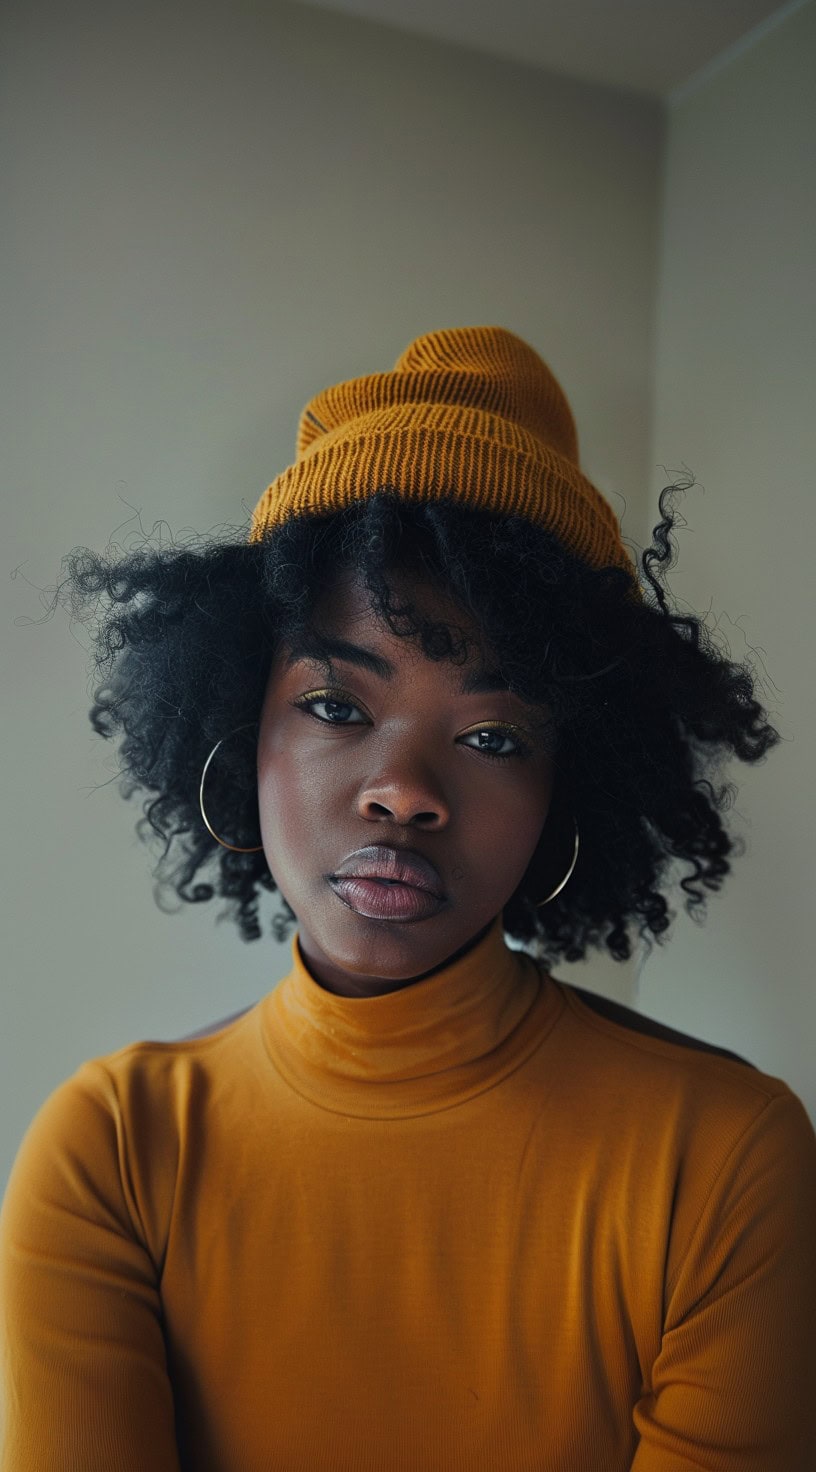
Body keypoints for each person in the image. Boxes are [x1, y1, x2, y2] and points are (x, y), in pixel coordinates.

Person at [1, 326, 814, 1471]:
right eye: (337, 706)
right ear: (246, 731)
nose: (403, 791)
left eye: (492, 734)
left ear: (563, 792)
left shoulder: (721, 1160)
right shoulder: (114, 1151)